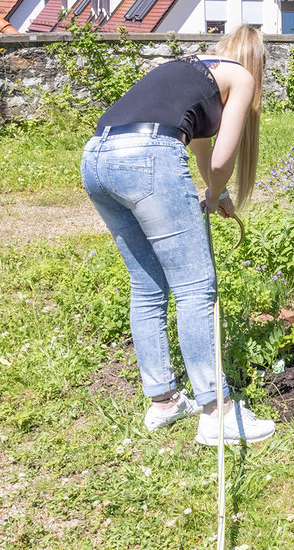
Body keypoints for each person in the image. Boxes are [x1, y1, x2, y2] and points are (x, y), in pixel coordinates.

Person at [81, 25, 276, 444]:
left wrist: (214, 192)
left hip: (96, 157)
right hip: (148, 155)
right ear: (255, 63)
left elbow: (203, 157)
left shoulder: (190, 71)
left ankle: (164, 403)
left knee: (148, 284)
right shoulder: (241, 76)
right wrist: (219, 189)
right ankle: (217, 414)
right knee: (195, 287)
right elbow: (222, 158)